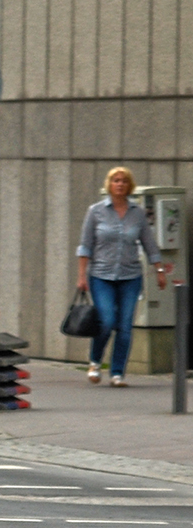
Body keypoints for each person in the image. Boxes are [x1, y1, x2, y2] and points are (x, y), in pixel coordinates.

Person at [75, 166, 167, 387]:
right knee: (106, 322)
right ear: (109, 184)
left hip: (130, 276)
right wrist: (81, 276)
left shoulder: (137, 214)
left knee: (125, 327)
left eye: (124, 181)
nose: (120, 184)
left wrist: (159, 270)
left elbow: (149, 244)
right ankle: (95, 362)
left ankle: (117, 373)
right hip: (101, 275)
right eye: (116, 180)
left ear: (129, 185)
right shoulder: (95, 211)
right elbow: (85, 246)